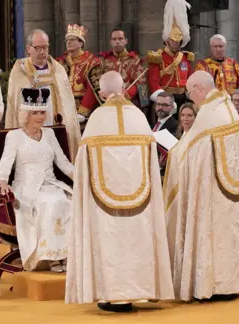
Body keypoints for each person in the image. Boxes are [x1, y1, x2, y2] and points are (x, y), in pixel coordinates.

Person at [66, 71, 174, 312]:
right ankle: (144, 290)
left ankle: (114, 294)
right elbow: (151, 159)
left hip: (103, 202)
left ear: (102, 93)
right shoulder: (138, 116)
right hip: (141, 199)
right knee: (138, 239)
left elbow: (84, 162)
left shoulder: (97, 118)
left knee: (111, 241)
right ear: (124, 88)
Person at [163, 71, 239, 301]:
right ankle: (229, 281)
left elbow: (191, 151)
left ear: (197, 88)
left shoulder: (208, 112)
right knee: (227, 233)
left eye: (188, 91)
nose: (190, 96)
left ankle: (211, 283)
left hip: (210, 189)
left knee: (211, 231)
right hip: (228, 189)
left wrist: (173, 153)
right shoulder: (227, 107)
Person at [0, 87, 74, 273]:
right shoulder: (14, 136)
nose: (40, 117)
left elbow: (63, 162)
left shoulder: (49, 134)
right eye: (35, 113)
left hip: (51, 183)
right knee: (48, 203)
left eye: (42, 112)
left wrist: (81, 174)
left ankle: (66, 254)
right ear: (26, 114)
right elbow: (6, 162)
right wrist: (2, 181)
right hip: (27, 188)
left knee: (69, 201)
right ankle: (50, 257)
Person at [6, 29, 80, 161]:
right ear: (29, 49)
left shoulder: (58, 70)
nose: (42, 52)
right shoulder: (20, 71)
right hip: (29, 129)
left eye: (45, 47)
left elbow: (67, 103)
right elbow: (14, 104)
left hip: (56, 125)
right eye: (38, 48)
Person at [147, 0, 194, 112]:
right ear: (167, 39)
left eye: (178, 40)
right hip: (165, 101)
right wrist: (165, 101)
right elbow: (153, 82)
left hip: (183, 99)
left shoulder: (185, 57)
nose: (176, 42)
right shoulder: (158, 57)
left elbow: (190, 79)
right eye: (173, 39)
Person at [56, 24, 103, 122]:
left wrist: (83, 111)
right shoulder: (60, 62)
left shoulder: (92, 62)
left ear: (81, 43)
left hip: (83, 110)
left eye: (72, 40)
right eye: (67, 40)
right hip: (63, 108)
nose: (68, 42)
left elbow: (93, 87)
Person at [99, 28, 148, 110]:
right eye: (114, 39)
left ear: (126, 41)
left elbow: (140, 83)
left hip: (128, 101)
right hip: (108, 101)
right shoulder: (104, 61)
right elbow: (99, 82)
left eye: (120, 38)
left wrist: (124, 95)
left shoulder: (135, 60)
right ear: (111, 42)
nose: (117, 41)